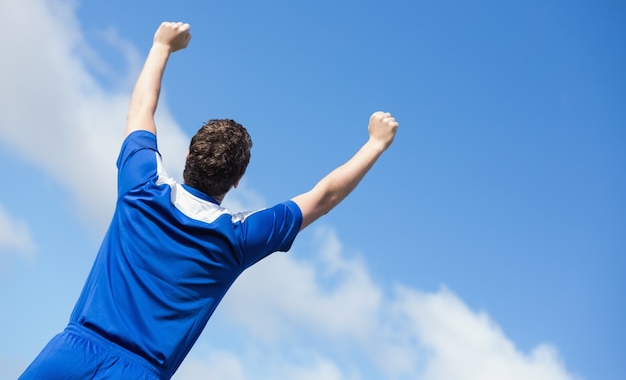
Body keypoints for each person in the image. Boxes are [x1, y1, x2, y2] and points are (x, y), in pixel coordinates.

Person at [19, 21, 399, 380]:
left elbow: (140, 110)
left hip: (68, 355)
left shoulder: (140, 186)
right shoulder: (235, 240)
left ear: (187, 157)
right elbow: (323, 197)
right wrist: (376, 143)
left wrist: (161, 46)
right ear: (236, 181)